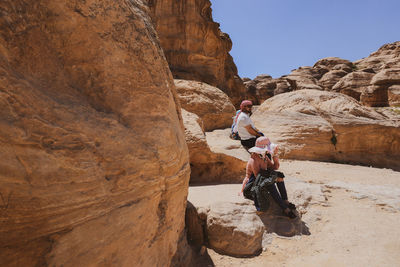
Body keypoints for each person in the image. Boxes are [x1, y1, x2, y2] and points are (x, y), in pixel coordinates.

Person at [239, 136, 296, 218]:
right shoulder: (254, 159)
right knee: (270, 184)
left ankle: (285, 200)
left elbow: (274, 167)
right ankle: (285, 208)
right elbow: (258, 177)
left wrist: (275, 156)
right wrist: (272, 178)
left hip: (261, 178)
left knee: (279, 177)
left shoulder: (264, 156)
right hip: (251, 185)